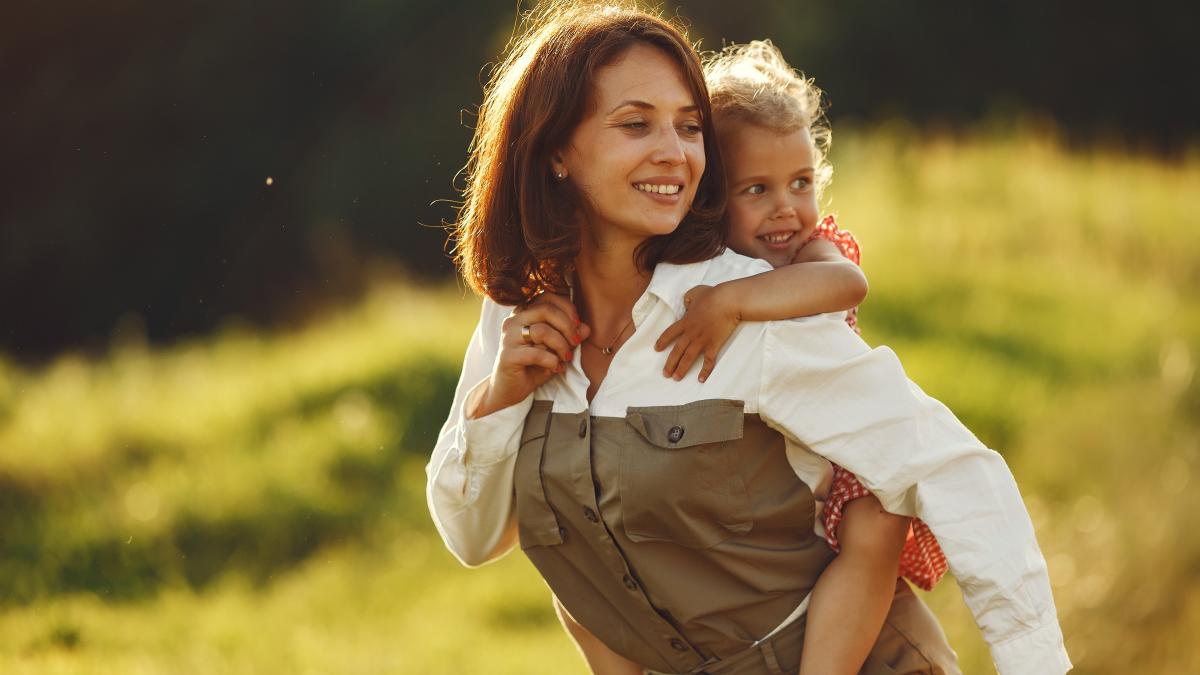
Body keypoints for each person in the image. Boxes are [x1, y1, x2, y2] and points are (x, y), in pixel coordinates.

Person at [426, 2, 1070, 674]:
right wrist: (499, 396)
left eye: (689, 127)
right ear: (555, 148)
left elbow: (949, 466)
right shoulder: (516, 315)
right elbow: (473, 540)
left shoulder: (747, 307)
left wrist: (1035, 662)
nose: (674, 153)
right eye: (636, 124)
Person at [562, 39, 951, 675]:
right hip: (774, 489)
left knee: (879, 521)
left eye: (802, 182)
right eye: (756, 189)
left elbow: (847, 286)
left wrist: (734, 303)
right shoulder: (689, 267)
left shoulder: (811, 253)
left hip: (840, 453)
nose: (786, 209)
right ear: (713, 197)